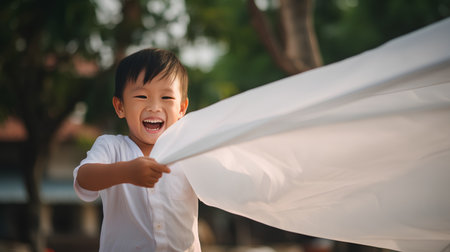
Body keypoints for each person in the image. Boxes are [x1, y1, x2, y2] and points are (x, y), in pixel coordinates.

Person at [73, 48, 201, 252]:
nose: (154, 107)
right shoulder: (111, 147)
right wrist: (126, 172)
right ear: (120, 106)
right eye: (142, 96)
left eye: (166, 98)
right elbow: (83, 179)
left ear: (182, 109)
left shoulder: (190, 151)